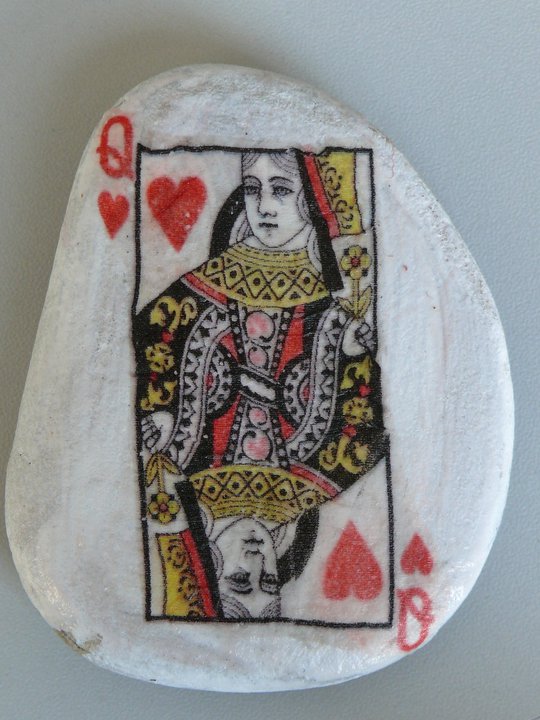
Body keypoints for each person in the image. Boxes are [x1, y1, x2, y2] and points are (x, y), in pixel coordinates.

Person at [135, 149, 387, 619]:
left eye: (281, 190)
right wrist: (351, 350)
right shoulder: (320, 483)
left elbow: (159, 332)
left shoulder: (179, 476)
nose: (265, 207)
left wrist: (164, 415)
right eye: (252, 190)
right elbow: (360, 428)